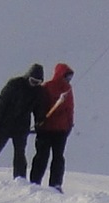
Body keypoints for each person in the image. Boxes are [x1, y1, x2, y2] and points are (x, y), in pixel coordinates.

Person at [0, 64, 44, 180]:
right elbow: (2, 102)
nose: (34, 84)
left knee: (20, 153)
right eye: (33, 81)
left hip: (22, 127)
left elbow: (38, 109)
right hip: (5, 124)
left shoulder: (38, 91)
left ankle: (20, 178)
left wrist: (39, 121)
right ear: (28, 76)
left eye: (37, 82)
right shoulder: (14, 84)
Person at [29, 61, 74, 191]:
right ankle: (49, 183)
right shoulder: (49, 87)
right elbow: (41, 105)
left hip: (55, 129)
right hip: (50, 129)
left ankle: (41, 182)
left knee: (50, 157)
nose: (69, 79)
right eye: (67, 76)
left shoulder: (64, 89)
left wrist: (69, 124)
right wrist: (69, 124)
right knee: (48, 157)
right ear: (61, 74)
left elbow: (70, 109)